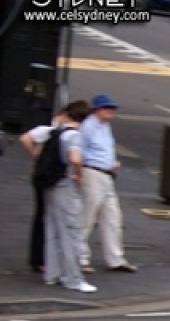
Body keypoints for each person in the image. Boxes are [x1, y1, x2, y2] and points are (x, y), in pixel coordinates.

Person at [39, 100, 96, 293]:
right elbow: (74, 158)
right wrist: (78, 175)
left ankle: (52, 274)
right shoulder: (74, 137)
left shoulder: (56, 132)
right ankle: (73, 278)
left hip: (50, 183)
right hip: (65, 184)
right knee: (71, 231)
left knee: (52, 229)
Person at [78, 93, 137, 273]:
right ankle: (79, 258)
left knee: (112, 217)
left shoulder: (105, 126)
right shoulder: (88, 127)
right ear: (97, 109)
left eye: (112, 108)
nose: (111, 111)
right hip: (92, 172)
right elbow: (79, 150)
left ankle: (115, 258)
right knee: (87, 217)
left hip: (106, 174)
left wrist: (111, 163)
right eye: (107, 108)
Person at [18, 104, 74, 273]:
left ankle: (42, 258)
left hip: (42, 174)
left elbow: (25, 139)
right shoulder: (50, 130)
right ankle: (40, 259)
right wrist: (36, 157)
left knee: (43, 215)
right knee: (45, 215)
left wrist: (36, 159)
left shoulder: (51, 130)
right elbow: (24, 139)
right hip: (47, 176)